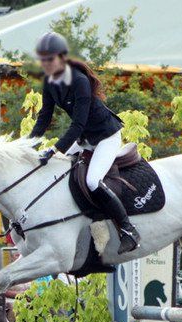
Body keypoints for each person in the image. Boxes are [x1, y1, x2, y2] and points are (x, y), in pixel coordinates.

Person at [30, 31, 139, 254]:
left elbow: (78, 124)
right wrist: (27, 144)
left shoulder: (79, 81)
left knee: (92, 181)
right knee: (57, 171)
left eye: (50, 59)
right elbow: (44, 117)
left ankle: (128, 230)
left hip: (106, 137)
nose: (46, 64)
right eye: (43, 59)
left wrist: (54, 149)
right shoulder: (49, 82)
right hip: (86, 138)